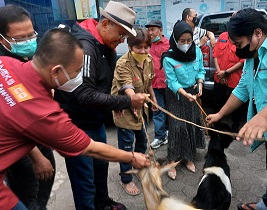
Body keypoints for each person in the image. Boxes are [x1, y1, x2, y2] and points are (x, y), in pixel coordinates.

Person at [0, 28, 150, 210]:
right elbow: (91, 149)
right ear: (56, 71)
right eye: (77, 71)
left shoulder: (5, 63)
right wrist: (132, 157)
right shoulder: (43, 113)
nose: (79, 76)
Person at [53, 1, 149, 210]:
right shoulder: (85, 47)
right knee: (84, 181)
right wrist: (126, 101)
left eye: (125, 36)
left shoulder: (104, 44)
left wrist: (125, 93)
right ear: (105, 24)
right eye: (120, 35)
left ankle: (103, 203)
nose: (121, 41)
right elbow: (85, 95)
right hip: (77, 124)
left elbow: (110, 79)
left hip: (95, 121)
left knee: (100, 168)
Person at [205, 8, 267, 210]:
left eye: (239, 44)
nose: (237, 50)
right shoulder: (251, 56)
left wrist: (263, 116)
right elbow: (242, 89)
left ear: (257, 33)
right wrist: (220, 114)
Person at [0, 4, 55, 210]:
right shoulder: (4, 67)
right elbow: (12, 120)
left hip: (39, 137)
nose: (28, 41)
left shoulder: (29, 54)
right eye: (20, 39)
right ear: (2, 39)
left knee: (41, 194)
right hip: (22, 148)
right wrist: (36, 157)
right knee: (29, 195)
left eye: (31, 34)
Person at [111, 28, 157, 196]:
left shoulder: (149, 60)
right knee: (126, 145)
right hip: (124, 109)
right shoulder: (122, 63)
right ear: (130, 46)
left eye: (147, 47)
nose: (143, 51)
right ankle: (126, 178)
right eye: (139, 47)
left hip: (140, 107)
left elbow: (149, 82)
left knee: (142, 142)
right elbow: (127, 87)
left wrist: (154, 99)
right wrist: (134, 103)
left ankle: (137, 167)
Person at [161, 20, 206, 180]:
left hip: (193, 92)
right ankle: (172, 160)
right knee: (177, 126)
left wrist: (200, 83)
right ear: (175, 39)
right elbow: (172, 81)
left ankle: (188, 157)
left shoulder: (198, 52)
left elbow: (201, 70)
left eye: (189, 40)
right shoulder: (168, 58)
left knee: (191, 123)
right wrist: (183, 93)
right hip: (176, 95)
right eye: (182, 41)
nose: (186, 44)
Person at [212, 31, 245, 132]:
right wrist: (220, 73)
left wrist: (226, 73)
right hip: (219, 77)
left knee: (237, 105)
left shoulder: (242, 38)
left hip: (234, 78)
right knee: (217, 101)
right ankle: (215, 125)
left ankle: (235, 127)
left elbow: (243, 61)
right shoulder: (223, 36)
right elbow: (215, 54)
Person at [145, 20, 170, 149]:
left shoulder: (168, 44)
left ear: (160, 30)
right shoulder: (147, 44)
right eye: (149, 30)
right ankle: (159, 137)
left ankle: (167, 132)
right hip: (153, 84)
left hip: (167, 83)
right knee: (157, 109)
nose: (150, 32)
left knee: (169, 109)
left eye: (153, 29)